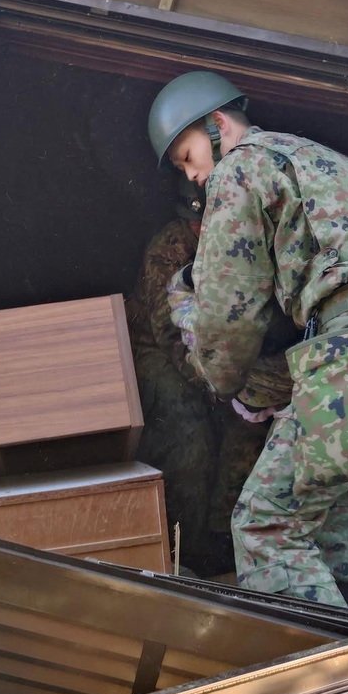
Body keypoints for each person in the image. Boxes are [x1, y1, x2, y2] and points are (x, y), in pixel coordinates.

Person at [146, 72, 348, 612]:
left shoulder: (239, 170)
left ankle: (327, 681)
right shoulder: (323, 160)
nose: (194, 176)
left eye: (188, 156)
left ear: (218, 124)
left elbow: (229, 317)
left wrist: (215, 367)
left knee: (264, 521)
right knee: (321, 504)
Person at [125, 187, 275, 577]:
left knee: (250, 430)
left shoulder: (251, 238)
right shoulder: (171, 246)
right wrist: (221, 384)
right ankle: (184, 549)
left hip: (227, 359)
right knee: (186, 432)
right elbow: (169, 333)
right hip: (161, 354)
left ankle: (225, 541)